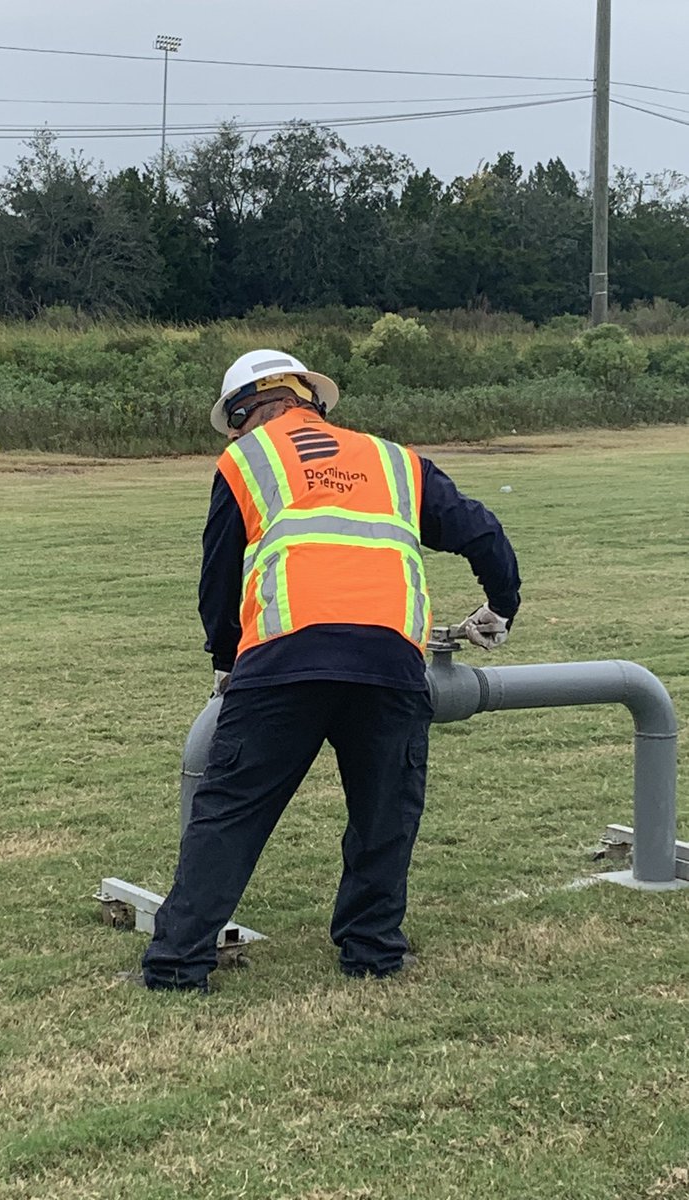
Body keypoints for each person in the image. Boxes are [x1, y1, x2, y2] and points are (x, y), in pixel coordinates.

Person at [140, 349, 521, 992]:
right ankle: (372, 950)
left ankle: (178, 965)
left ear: (243, 412)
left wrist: (226, 662)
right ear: (310, 398)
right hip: (390, 661)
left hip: (284, 658)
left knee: (232, 812)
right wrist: (500, 606)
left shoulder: (248, 459)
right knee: (384, 813)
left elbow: (219, 578)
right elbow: (482, 531)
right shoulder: (396, 461)